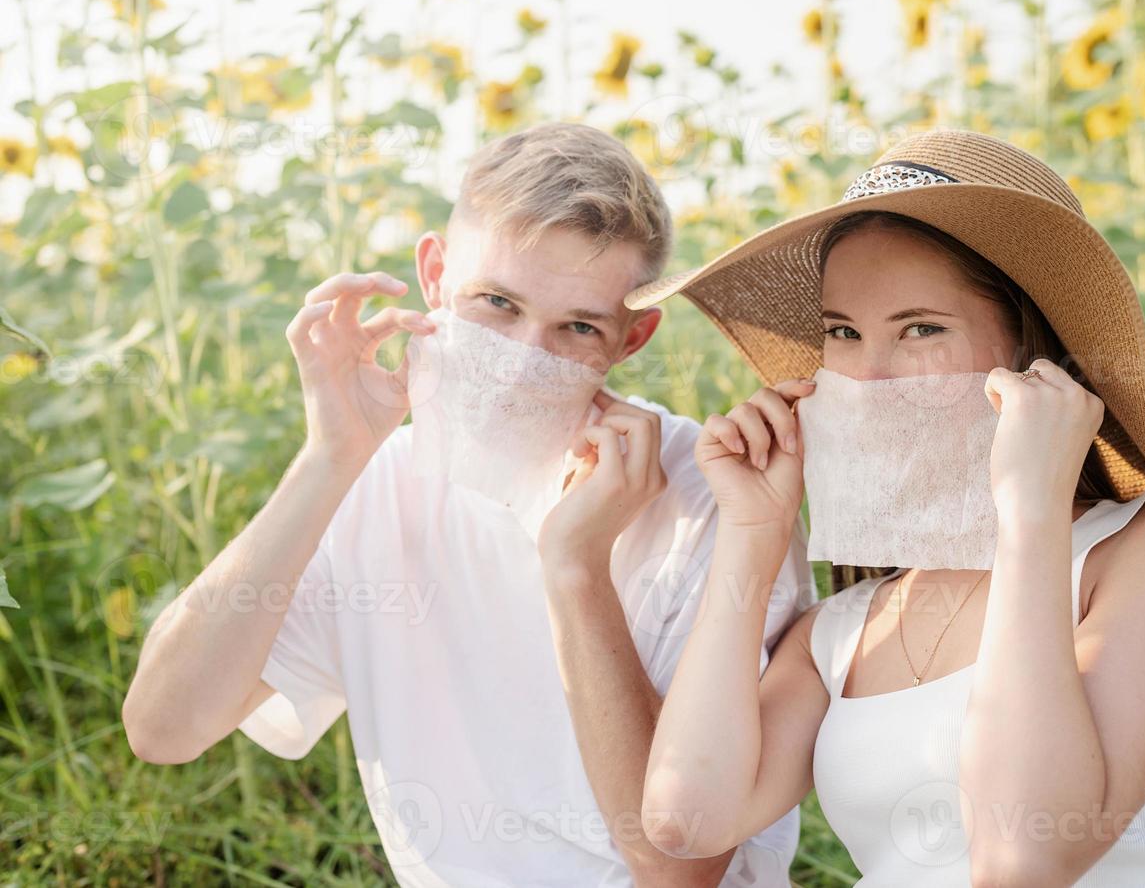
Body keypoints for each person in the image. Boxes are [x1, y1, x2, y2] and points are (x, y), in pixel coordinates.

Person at [121, 122, 811, 887]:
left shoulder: (711, 497)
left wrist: (575, 568)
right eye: (496, 303)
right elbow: (164, 727)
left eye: (577, 326)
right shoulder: (375, 481)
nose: (523, 360)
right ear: (434, 275)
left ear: (633, 338)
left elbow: (676, 869)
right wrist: (329, 459)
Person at [635, 129, 1145, 886]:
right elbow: (685, 820)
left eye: (920, 328)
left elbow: (1023, 858)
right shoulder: (845, 628)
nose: (870, 373)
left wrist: (1029, 514)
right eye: (842, 334)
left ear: (1032, 357)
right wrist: (754, 533)